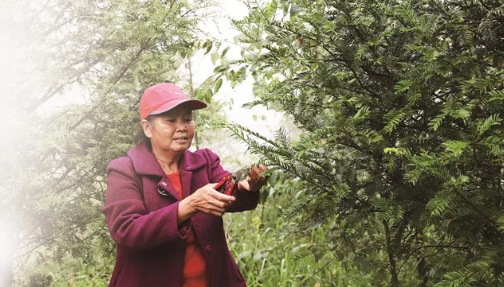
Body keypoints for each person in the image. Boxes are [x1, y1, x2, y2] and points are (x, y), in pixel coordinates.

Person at [102, 83, 268, 287]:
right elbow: (127, 229)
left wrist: (246, 187)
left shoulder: (205, 161)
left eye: (187, 119)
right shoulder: (125, 170)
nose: (181, 127)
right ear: (147, 128)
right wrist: (189, 205)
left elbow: (227, 193)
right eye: (170, 120)